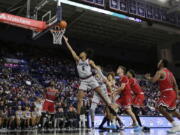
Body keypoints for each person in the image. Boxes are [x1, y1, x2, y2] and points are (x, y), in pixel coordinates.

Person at [63, 36, 116, 118]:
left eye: (82, 52)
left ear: (85, 54)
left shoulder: (90, 61)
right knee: (79, 98)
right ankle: (78, 115)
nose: (80, 53)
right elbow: (71, 50)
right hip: (83, 81)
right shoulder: (77, 60)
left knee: (101, 94)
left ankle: (110, 106)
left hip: (91, 79)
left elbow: (97, 68)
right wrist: (66, 41)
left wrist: (103, 77)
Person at [145, 59, 180, 133]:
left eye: (159, 62)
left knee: (159, 107)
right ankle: (176, 125)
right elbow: (175, 85)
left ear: (162, 64)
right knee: (173, 110)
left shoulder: (160, 72)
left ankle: (176, 124)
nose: (158, 63)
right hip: (172, 92)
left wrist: (148, 78)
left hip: (166, 93)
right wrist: (176, 95)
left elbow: (153, 81)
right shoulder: (170, 73)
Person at [114, 66, 141, 132]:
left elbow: (122, 88)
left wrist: (114, 91)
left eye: (119, 69)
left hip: (126, 96)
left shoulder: (124, 77)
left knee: (129, 111)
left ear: (122, 71)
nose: (117, 69)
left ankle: (137, 124)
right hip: (123, 96)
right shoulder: (120, 78)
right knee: (113, 107)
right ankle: (114, 123)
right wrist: (116, 93)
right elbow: (121, 89)